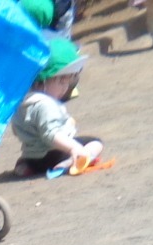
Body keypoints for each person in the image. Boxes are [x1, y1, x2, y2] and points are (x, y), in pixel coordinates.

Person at [13, 37, 103, 178]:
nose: (65, 87)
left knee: (25, 159)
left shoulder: (21, 103)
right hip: (56, 153)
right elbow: (51, 134)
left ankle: (24, 166)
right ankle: (73, 161)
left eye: (68, 82)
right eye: (60, 81)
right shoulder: (45, 104)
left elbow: (17, 130)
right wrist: (74, 147)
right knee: (96, 142)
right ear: (41, 81)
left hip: (32, 157)